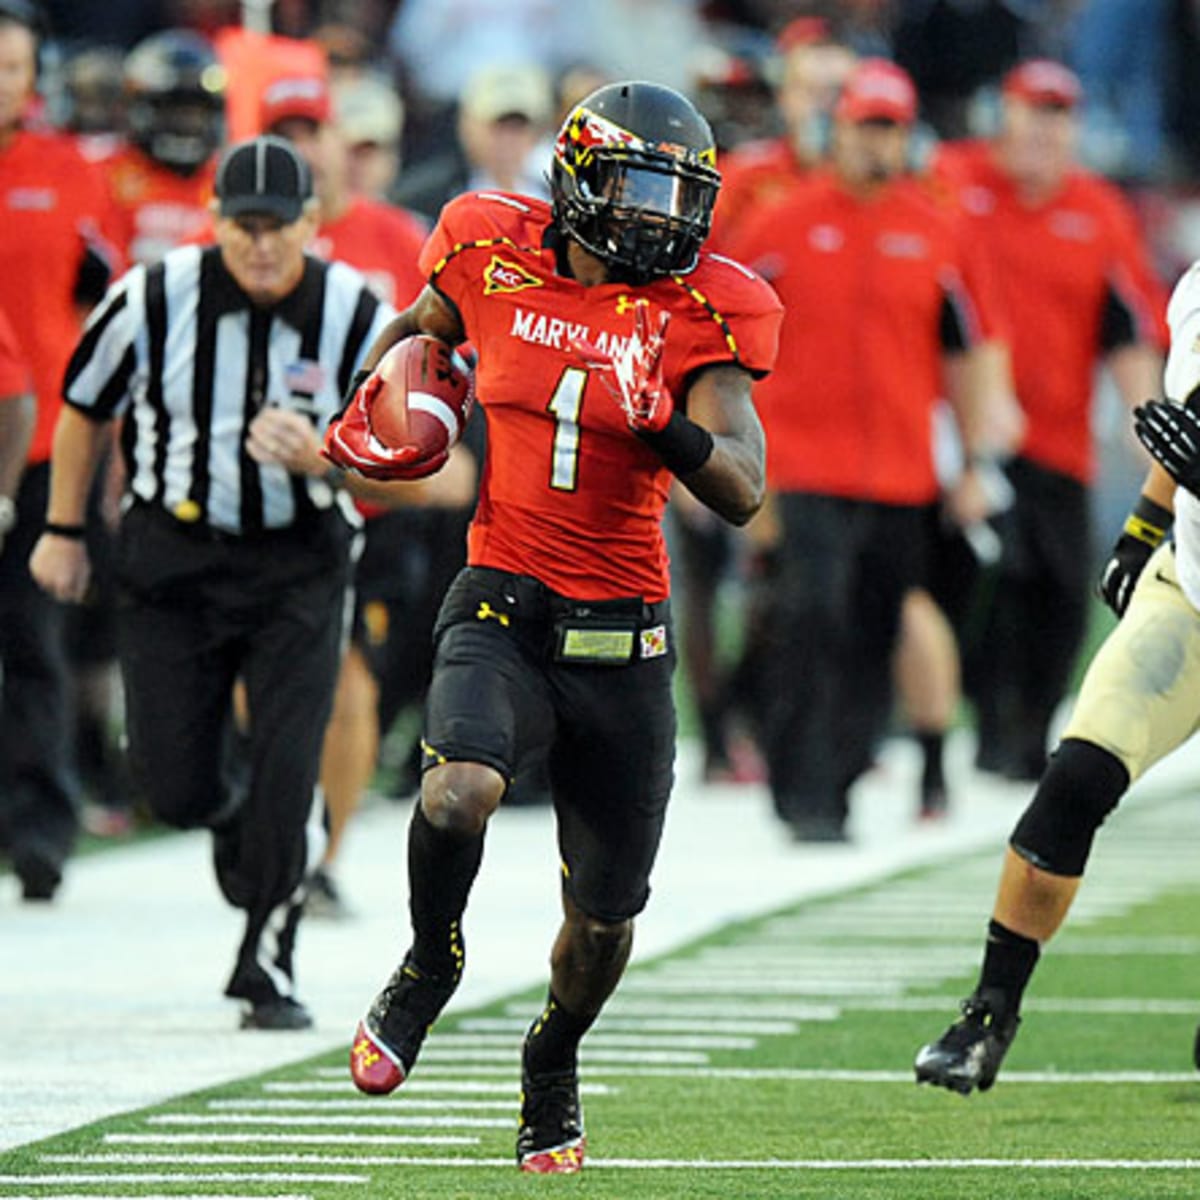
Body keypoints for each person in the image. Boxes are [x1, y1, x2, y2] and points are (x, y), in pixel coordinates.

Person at [324, 81, 781, 1173]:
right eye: (637, 186)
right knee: (457, 786)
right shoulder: (485, 244)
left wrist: (660, 419)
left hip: (626, 633)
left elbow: (746, 487)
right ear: (577, 177)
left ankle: (552, 1054)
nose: (660, 217)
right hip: (504, 594)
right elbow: (420, 333)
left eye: (680, 194)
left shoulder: (708, 305)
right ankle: (430, 964)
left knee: (605, 923)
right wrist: (377, 404)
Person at [29, 136, 398, 1028]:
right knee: (175, 783)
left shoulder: (359, 312)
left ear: (315, 225)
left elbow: (422, 466)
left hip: (299, 563)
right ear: (215, 223)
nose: (261, 245)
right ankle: (248, 822)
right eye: (245, 227)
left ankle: (268, 960)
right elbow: (84, 408)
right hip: (173, 558)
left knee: (283, 766)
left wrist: (328, 461)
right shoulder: (154, 296)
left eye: (279, 227)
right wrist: (63, 528)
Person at [912, 254, 1200, 1095]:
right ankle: (988, 1016)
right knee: (1075, 779)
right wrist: (1145, 525)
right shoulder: (1196, 288)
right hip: (1192, 592)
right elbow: (1183, 435)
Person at [726, 58, 1002, 841]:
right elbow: (719, 332)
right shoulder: (780, 223)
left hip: (902, 470)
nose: (877, 143)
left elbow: (968, 351)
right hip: (805, 462)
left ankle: (837, 775)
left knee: (876, 626)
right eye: (864, 125)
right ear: (836, 128)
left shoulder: (938, 231)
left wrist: (975, 461)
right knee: (814, 615)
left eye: (890, 127)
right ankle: (805, 789)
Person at [261, 68, 476, 919]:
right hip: (256, 488)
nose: (322, 153)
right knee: (261, 676)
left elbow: (447, 356)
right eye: (307, 134)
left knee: (351, 679)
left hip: (366, 495)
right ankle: (272, 804)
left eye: (339, 139)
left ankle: (322, 852)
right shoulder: (252, 237)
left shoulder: (400, 238)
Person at [932, 59, 1167, 783]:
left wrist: (1147, 423)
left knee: (1065, 593)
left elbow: (1127, 324)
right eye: (1032, 109)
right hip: (966, 431)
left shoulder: (1096, 211)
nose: (1043, 127)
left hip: (1061, 438)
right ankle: (984, 725)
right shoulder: (953, 182)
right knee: (985, 584)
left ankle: (1027, 732)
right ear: (1001, 114)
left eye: (1059, 114)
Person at [0, 0, 120, 901]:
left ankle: (42, 825)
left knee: (33, 637)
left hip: (40, 438)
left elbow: (105, 297)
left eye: (11, 68)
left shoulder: (69, 170)